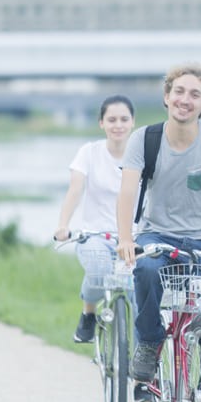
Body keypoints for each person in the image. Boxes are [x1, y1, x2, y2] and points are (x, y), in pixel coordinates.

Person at [116, 64, 201, 400]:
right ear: (167, 97)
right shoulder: (145, 139)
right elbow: (126, 191)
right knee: (147, 269)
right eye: (179, 92)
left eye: (194, 94)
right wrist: (126, 238)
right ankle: (150, 342)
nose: (185, 99)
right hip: (157, 236)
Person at [53, 95, 135, 344]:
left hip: (132, 237)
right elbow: (76, 188)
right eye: (111, 119)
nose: (117, 125)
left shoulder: (140, 153)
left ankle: (145, 357)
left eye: (124, 119)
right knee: (98, 272)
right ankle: (88, 314)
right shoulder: (89, 152)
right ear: (101, 123)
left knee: (139, 290)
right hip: (96, 235)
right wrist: (63, 225)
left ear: (132, 123)